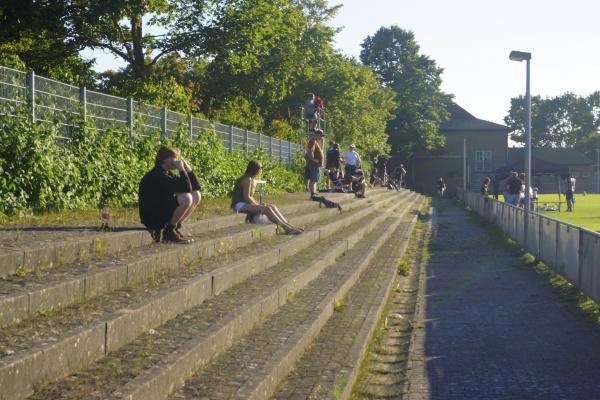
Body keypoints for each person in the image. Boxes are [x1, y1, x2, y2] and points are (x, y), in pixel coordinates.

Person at [139, 146, 202, 243]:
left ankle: (174, 228)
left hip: (161, 210)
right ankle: (168, 232)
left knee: (196, 195)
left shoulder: (167, 173)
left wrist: (188, 170)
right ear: (166, 159)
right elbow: (187, 188)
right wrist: (181, 169)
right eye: (174, 157)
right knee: (186, 198)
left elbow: (196, 187)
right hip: (153, 217)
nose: (176, 160)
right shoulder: (158, 175)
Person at [231, 160, 303, 234]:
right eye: (261, 168)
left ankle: (289, 226)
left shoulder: (250, 179)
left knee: (272, 206)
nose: (262, 170)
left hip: (245, 204)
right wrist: (258, 205)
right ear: (256, 169)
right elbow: (247, 197)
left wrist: (258, 204)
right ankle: (287, 228)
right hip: (239, 205)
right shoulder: (247, 179)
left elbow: (250, 197)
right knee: (267, 209)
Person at [306, 129, 325, 199]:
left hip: (316, 164)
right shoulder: (313, 141)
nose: (322, 137)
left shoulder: (315, 142)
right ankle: (312, 194)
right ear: (317, 135)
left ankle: (314, 193)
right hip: (314, 164)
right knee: (313, 180)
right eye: (321, 136)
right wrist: (313, 159)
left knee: (315, 179)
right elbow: (310, 151)